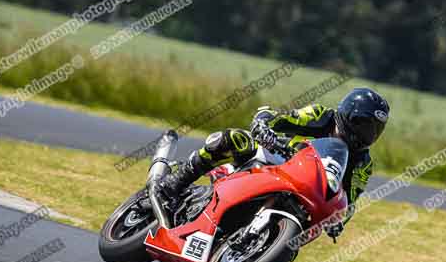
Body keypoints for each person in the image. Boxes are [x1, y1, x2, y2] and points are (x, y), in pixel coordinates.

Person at [158, 87, 390, 235]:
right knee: (235, 139)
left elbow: (350, 199)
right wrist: (264, 126)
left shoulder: (363, 163)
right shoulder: (321, 116)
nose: (368, 134)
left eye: (375, 130)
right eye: (364, 124)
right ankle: (177, 181)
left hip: (306, 191)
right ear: (349, 115)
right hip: (277, 159)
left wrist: (340, 220)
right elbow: (282, 116)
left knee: (296, 243)